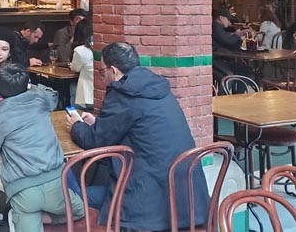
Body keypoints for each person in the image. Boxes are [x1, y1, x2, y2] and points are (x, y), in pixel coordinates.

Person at [65, 42, 209, 231]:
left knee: (77, 194)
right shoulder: (157, 88)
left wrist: (75, 126)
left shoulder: (123, 94)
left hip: (147, 204)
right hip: (188, 198)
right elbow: (135, 125)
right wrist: (98, 122)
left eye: (103, 72)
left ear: (114, 70)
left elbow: (95, 141)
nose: (104, 77)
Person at [0, 62, 84, 232]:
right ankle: (37, 218)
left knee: (28, 218)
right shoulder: (39, 97)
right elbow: (53, 94)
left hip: (23, 190)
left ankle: (20, 218)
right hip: (57, 183)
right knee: (78, 211)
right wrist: (31, 86)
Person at [69, 19, 94, 108]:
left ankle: (75, 112)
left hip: (88, 97)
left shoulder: (80, 50)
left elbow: (75, 69)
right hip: (102, 93)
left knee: (73, 86)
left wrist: (69, 64)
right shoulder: (101, 47)